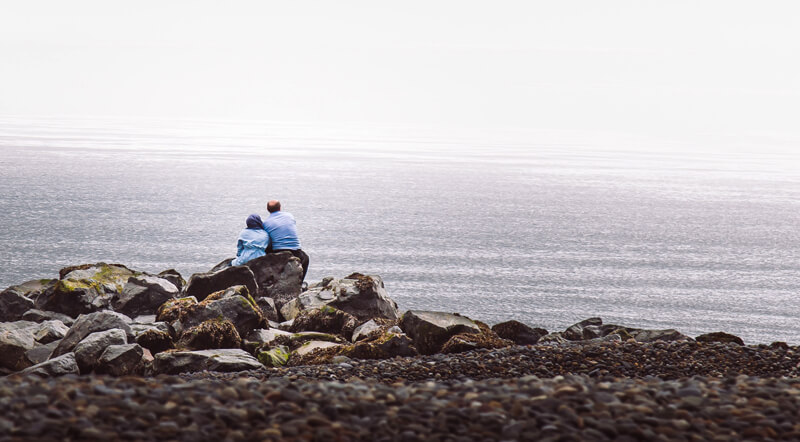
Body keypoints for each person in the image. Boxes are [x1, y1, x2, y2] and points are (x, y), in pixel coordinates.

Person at [262, 200, 309, 280]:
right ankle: (300, 283)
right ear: (280, 208)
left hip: (279, 252)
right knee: (306, 259)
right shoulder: (289, 216)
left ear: (267, 209)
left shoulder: (266, 223)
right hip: (296, 251)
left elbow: (267, 241)